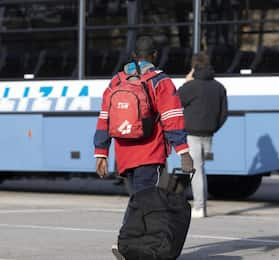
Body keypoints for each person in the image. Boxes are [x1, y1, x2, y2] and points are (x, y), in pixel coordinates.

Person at [93, 35, 194, 260]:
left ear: (133, 56)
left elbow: (104, 118)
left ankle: (134, 246)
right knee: (145, 201)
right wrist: (183, 151)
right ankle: (129, 245)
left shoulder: (116, 81)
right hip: (150, 153)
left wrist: (101, 152)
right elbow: (172, 118)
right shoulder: (160, 81)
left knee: (139, 199)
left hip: (124, 155)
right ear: (155, 55)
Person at [177, 51, 228, 218]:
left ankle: (199, 207)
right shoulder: (219, 87)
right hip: (209, 135)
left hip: (192, 135)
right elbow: (223, 114)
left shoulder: (191, 87)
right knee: (201, 170)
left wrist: (186, 81)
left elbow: (176, 101)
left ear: (193, 67)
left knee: (196, 171)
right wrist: (213, 128)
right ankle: (201, 205)